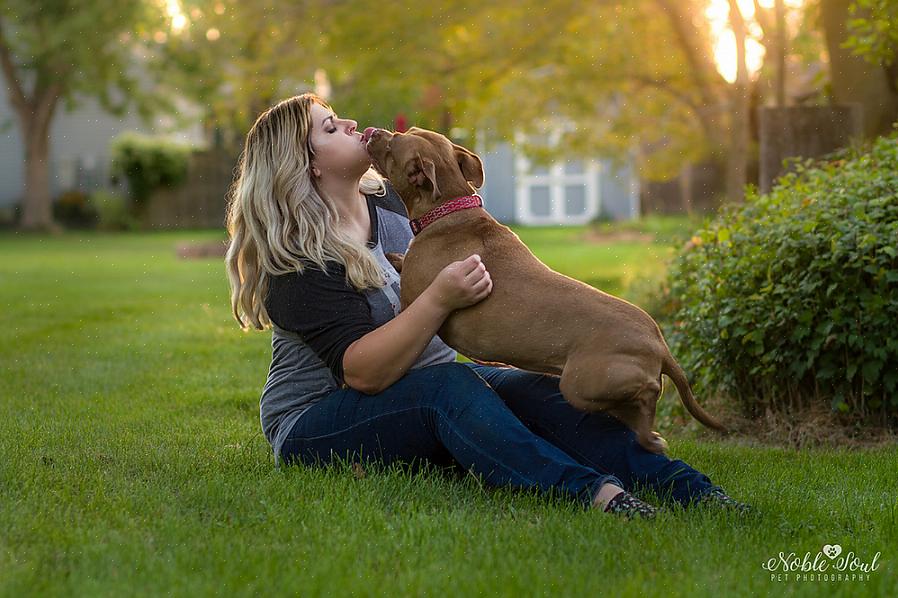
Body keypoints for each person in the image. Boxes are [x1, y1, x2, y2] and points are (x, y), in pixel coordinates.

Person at [224, 93, 752, 519]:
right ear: (306, 164)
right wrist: (438, 298)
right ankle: (594, 496)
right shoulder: (296, 260)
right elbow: (362, 374)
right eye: (330, 127)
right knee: (449, 389)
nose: (351, 123)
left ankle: (689, 490)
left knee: (532, 391)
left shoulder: (389, 204)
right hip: (317, 422)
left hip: (419, 384)